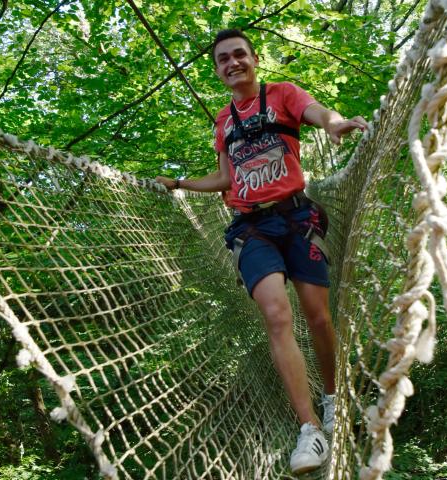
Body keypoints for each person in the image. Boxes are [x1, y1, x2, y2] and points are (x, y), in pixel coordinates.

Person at [156, 29, 367, 474]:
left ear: (254, 59)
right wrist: (178, 184)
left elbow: (317, 113)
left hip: (295, 219)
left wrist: (335, 123)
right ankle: (309, 430)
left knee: (318, 316)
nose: (232, 63)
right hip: (250, 227)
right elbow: (226, 180)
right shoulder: (223, 121)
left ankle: (331, 398)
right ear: (217, 71)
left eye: (239, 55)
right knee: (276, 314)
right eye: (222, 59)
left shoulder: (283, 95)